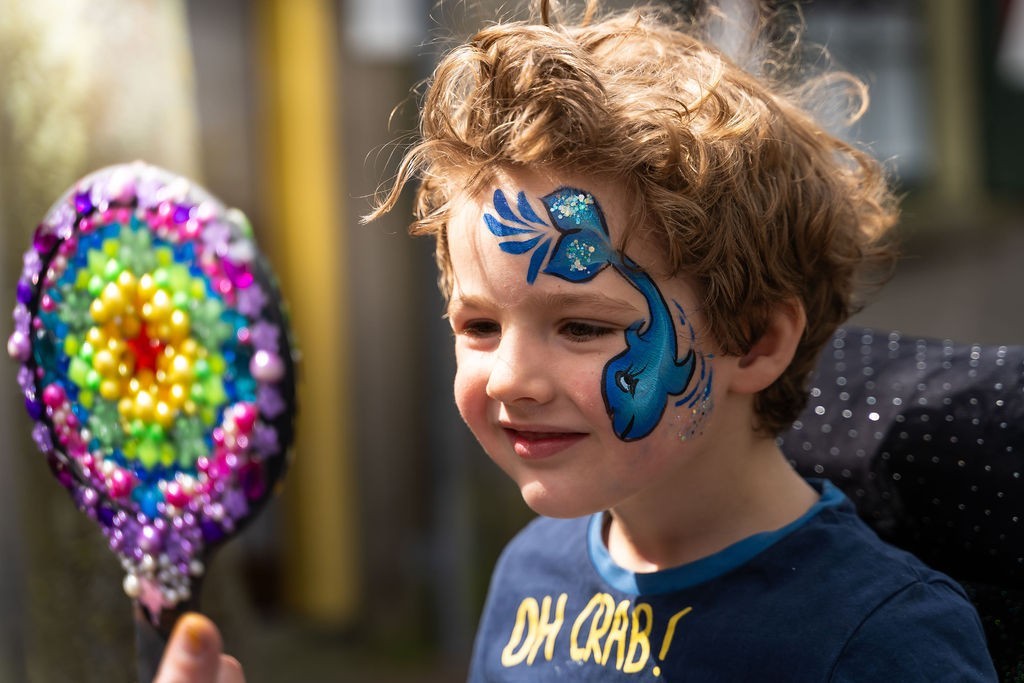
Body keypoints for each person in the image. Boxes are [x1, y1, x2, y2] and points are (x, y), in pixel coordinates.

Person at [156, 0, 999, 680]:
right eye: (479, 325)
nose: (512, 377)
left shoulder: (879, 642)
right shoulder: (531, 574)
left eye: (585, 326)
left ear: (756, 339)